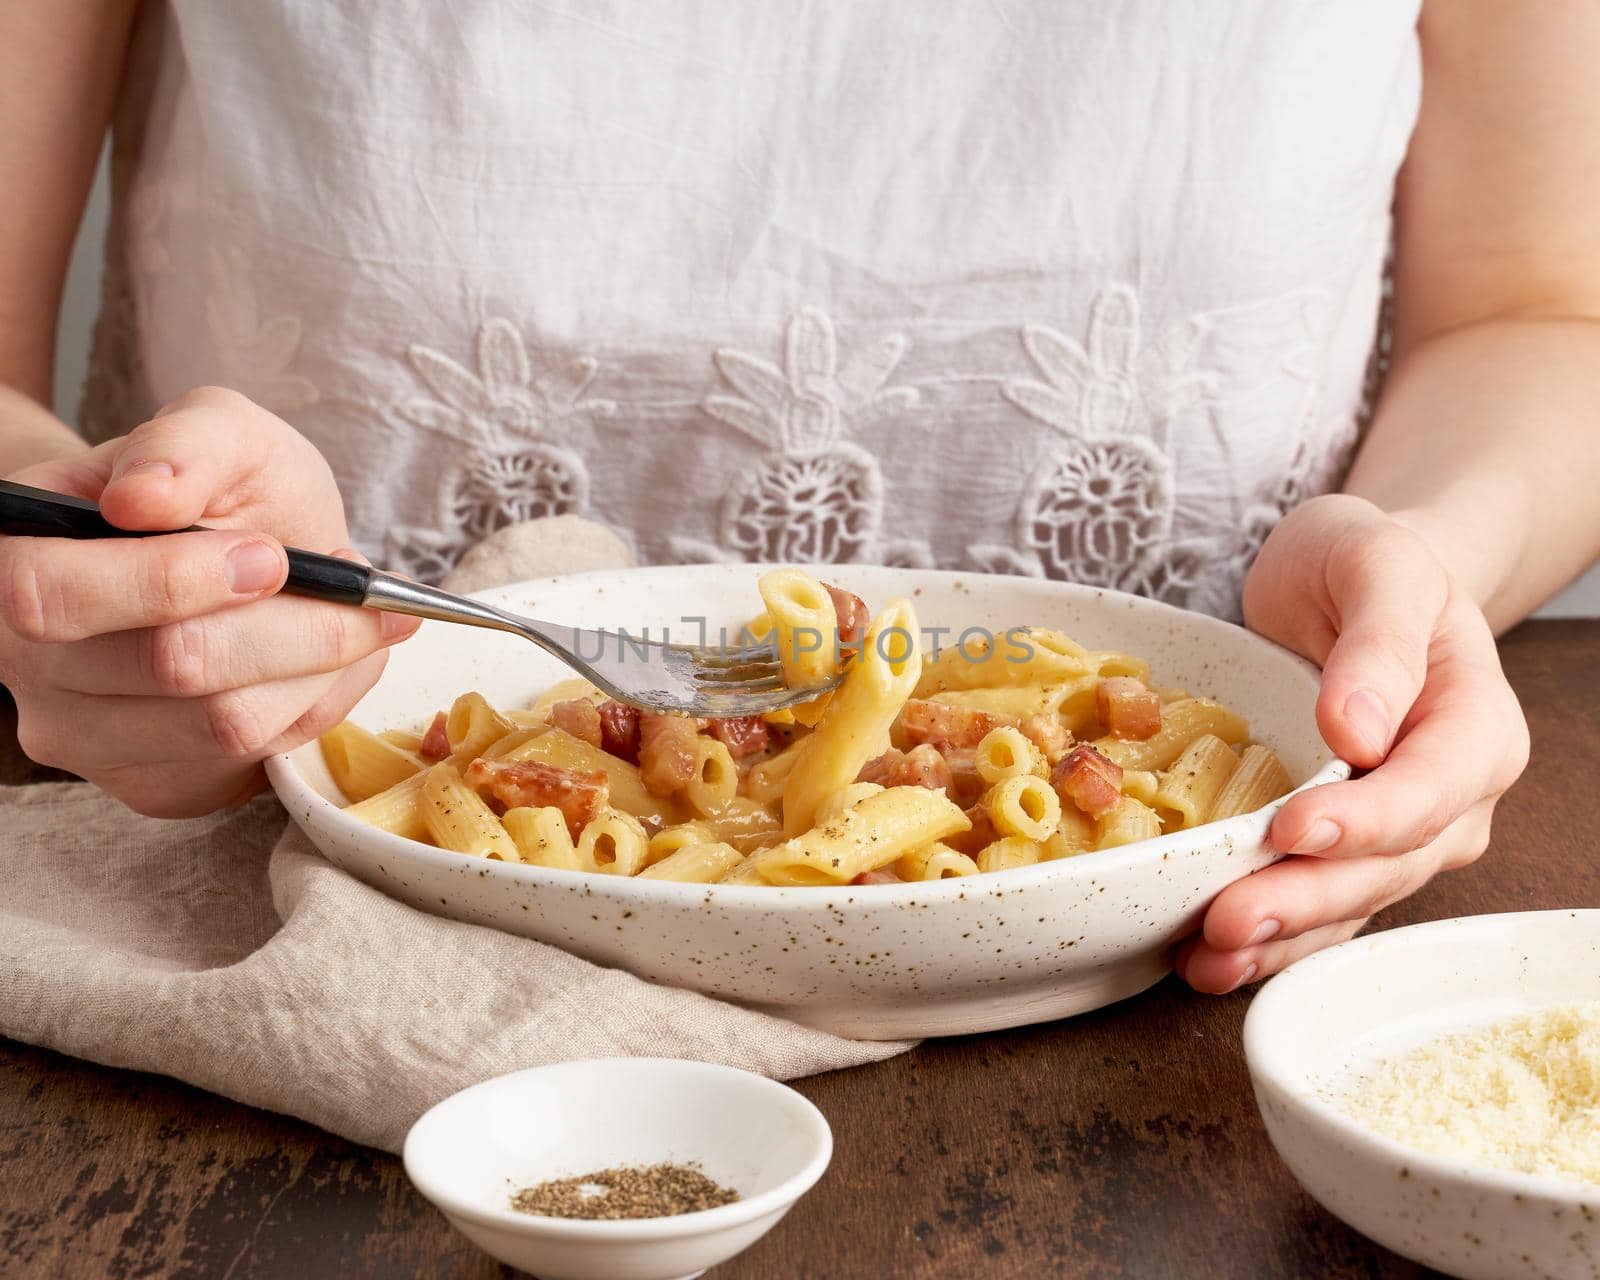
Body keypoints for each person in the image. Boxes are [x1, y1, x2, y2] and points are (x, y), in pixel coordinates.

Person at [0, 2, 1593, 996]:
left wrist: (1425, 559)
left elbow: (1539, 314)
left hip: (1187, 953)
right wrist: (99, 551)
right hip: (287, 906)